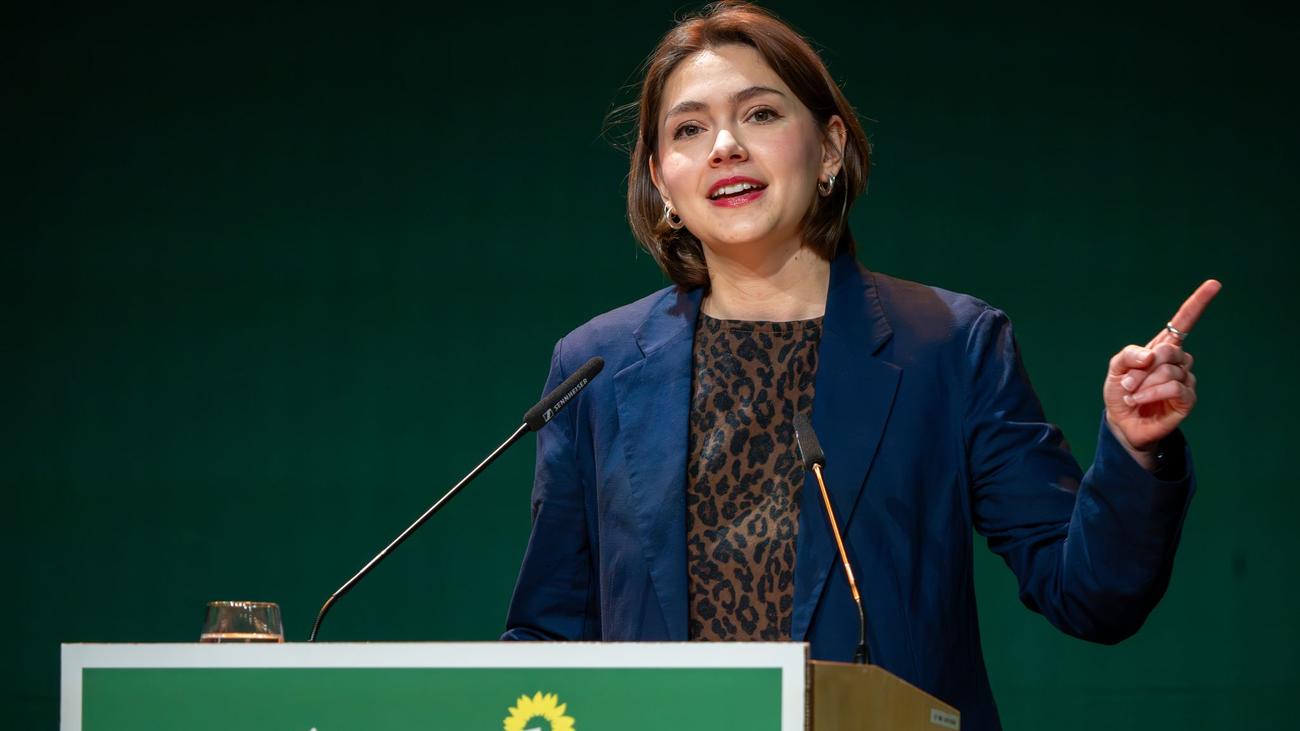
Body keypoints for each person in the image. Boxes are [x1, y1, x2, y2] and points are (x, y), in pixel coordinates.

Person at [501, 2, 1220, 729]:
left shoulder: (950, 345)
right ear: (662, 182)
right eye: (689, 129)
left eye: (759, 114)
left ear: (830, 149)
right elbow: (549, 635)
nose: (724, 146)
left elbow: (1091, 595)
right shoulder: (596, 367)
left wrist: (1134, 450)